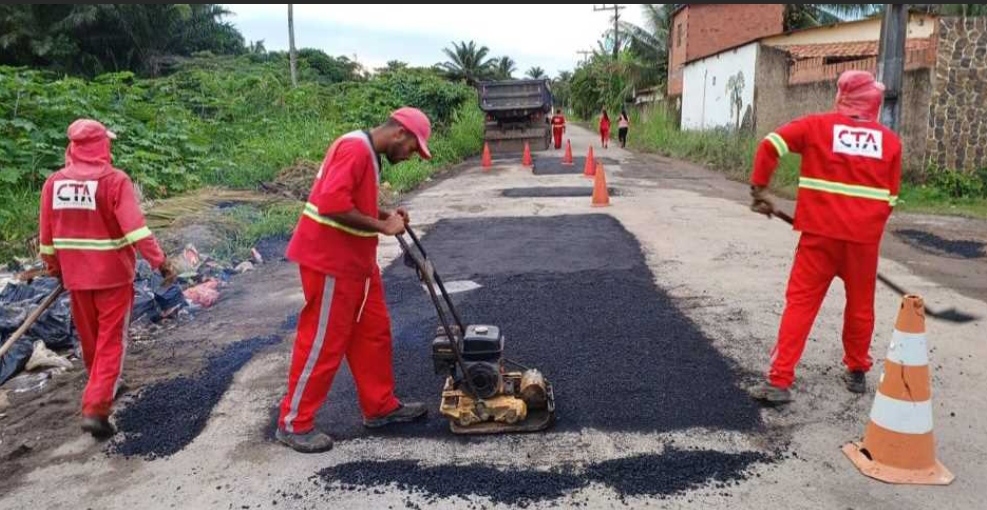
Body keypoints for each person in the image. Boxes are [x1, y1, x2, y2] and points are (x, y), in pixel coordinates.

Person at [275, 106, 433, 453]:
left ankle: (380, 406)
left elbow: (352, 202)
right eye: (412, 149)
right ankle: (294, 422)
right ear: (400, 133)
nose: (410, 156)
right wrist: (382, 226)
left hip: (358, 264)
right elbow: (332, 204)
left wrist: (385, 215)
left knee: (373, 333)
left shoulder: (368, 153)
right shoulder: (355, 148)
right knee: (323, 341)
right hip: (331, 261)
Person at [747, 70, 901, 404]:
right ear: (873, 101)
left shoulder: (816, 127)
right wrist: (865, 227)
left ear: (842, 97)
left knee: (800, 304)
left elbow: (770, 144)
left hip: (818, 239)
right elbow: (890, 198)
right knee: (861, 307)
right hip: (862, 243)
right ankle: (857, 370)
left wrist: (760, 187)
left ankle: (780, 381)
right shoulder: (889, 141)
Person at [38, 119, 177, 439]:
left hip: (76, 279)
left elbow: (46, 236)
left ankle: (106, 383)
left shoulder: (54, 183)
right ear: (101, 146)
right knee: (111, 341)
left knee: (91, 340)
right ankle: (96, 409)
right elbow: (136, 230)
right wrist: (160, 262)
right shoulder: (114, 181)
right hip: (112, 277)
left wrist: (54, 267)